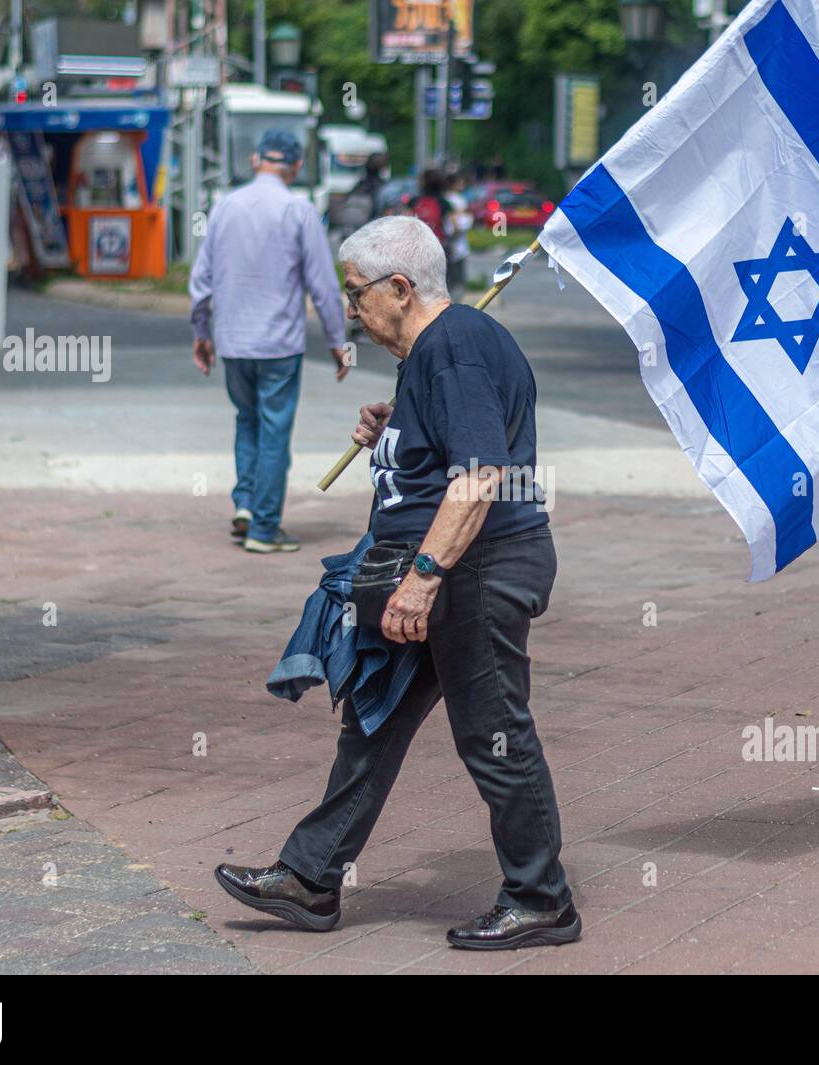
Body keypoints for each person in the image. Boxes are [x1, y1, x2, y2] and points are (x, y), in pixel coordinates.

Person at [214, 216, 580, 950]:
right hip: (449, 572)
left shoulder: (456, 347)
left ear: (401, 287)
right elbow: (456, 444)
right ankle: (312, 877)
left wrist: (422, 578)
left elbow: (480, 475)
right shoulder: (437, 354)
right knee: (374, 720)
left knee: (495, 734)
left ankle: (543, 898)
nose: (350, 308)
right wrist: (398, 429)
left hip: (473, 571)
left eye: (355, 294)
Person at [189, 129, 349, 553]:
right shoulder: (299, 210)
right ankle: (263, 527)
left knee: (247, 420)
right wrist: (338, 340)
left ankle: (245, 503)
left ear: (257, 159)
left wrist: (200, 332)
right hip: (279, 342)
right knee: (275, 430)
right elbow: (323, 286)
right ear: (295, 167)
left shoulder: (225, 206)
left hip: (233, 341)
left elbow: (201, 279)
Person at [444, 171, 473, 301]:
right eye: (460, 181)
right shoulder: (458, 200)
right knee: (458, 282)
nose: (462, 184)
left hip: (444, 244)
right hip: (458, 245)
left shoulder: (444, 198)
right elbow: (464, 223)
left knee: (447, 280)